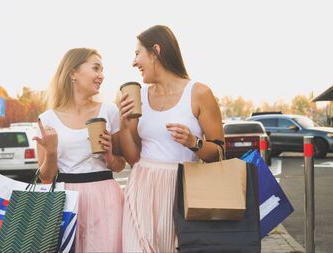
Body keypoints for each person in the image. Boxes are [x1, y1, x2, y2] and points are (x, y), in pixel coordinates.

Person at [117, 25, 225, 252]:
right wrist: (125, 125)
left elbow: (219, 154)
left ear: (155, 51)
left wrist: (193, 143)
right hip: (141, 189)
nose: (134, 62)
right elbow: (133, 157)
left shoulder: (199, 93)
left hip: (182, 192)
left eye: (138, 54)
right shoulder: (139, 97)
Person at [34, 48, 126, 253]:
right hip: (64, 200)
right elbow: (46, 177)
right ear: (73, 72)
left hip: (106, 196)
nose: (101, 75)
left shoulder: (109, 111)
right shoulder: (47, 119)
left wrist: (110, 156)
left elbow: (121, 165)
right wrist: (51, 151)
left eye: (102, 70)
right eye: (96, 68)